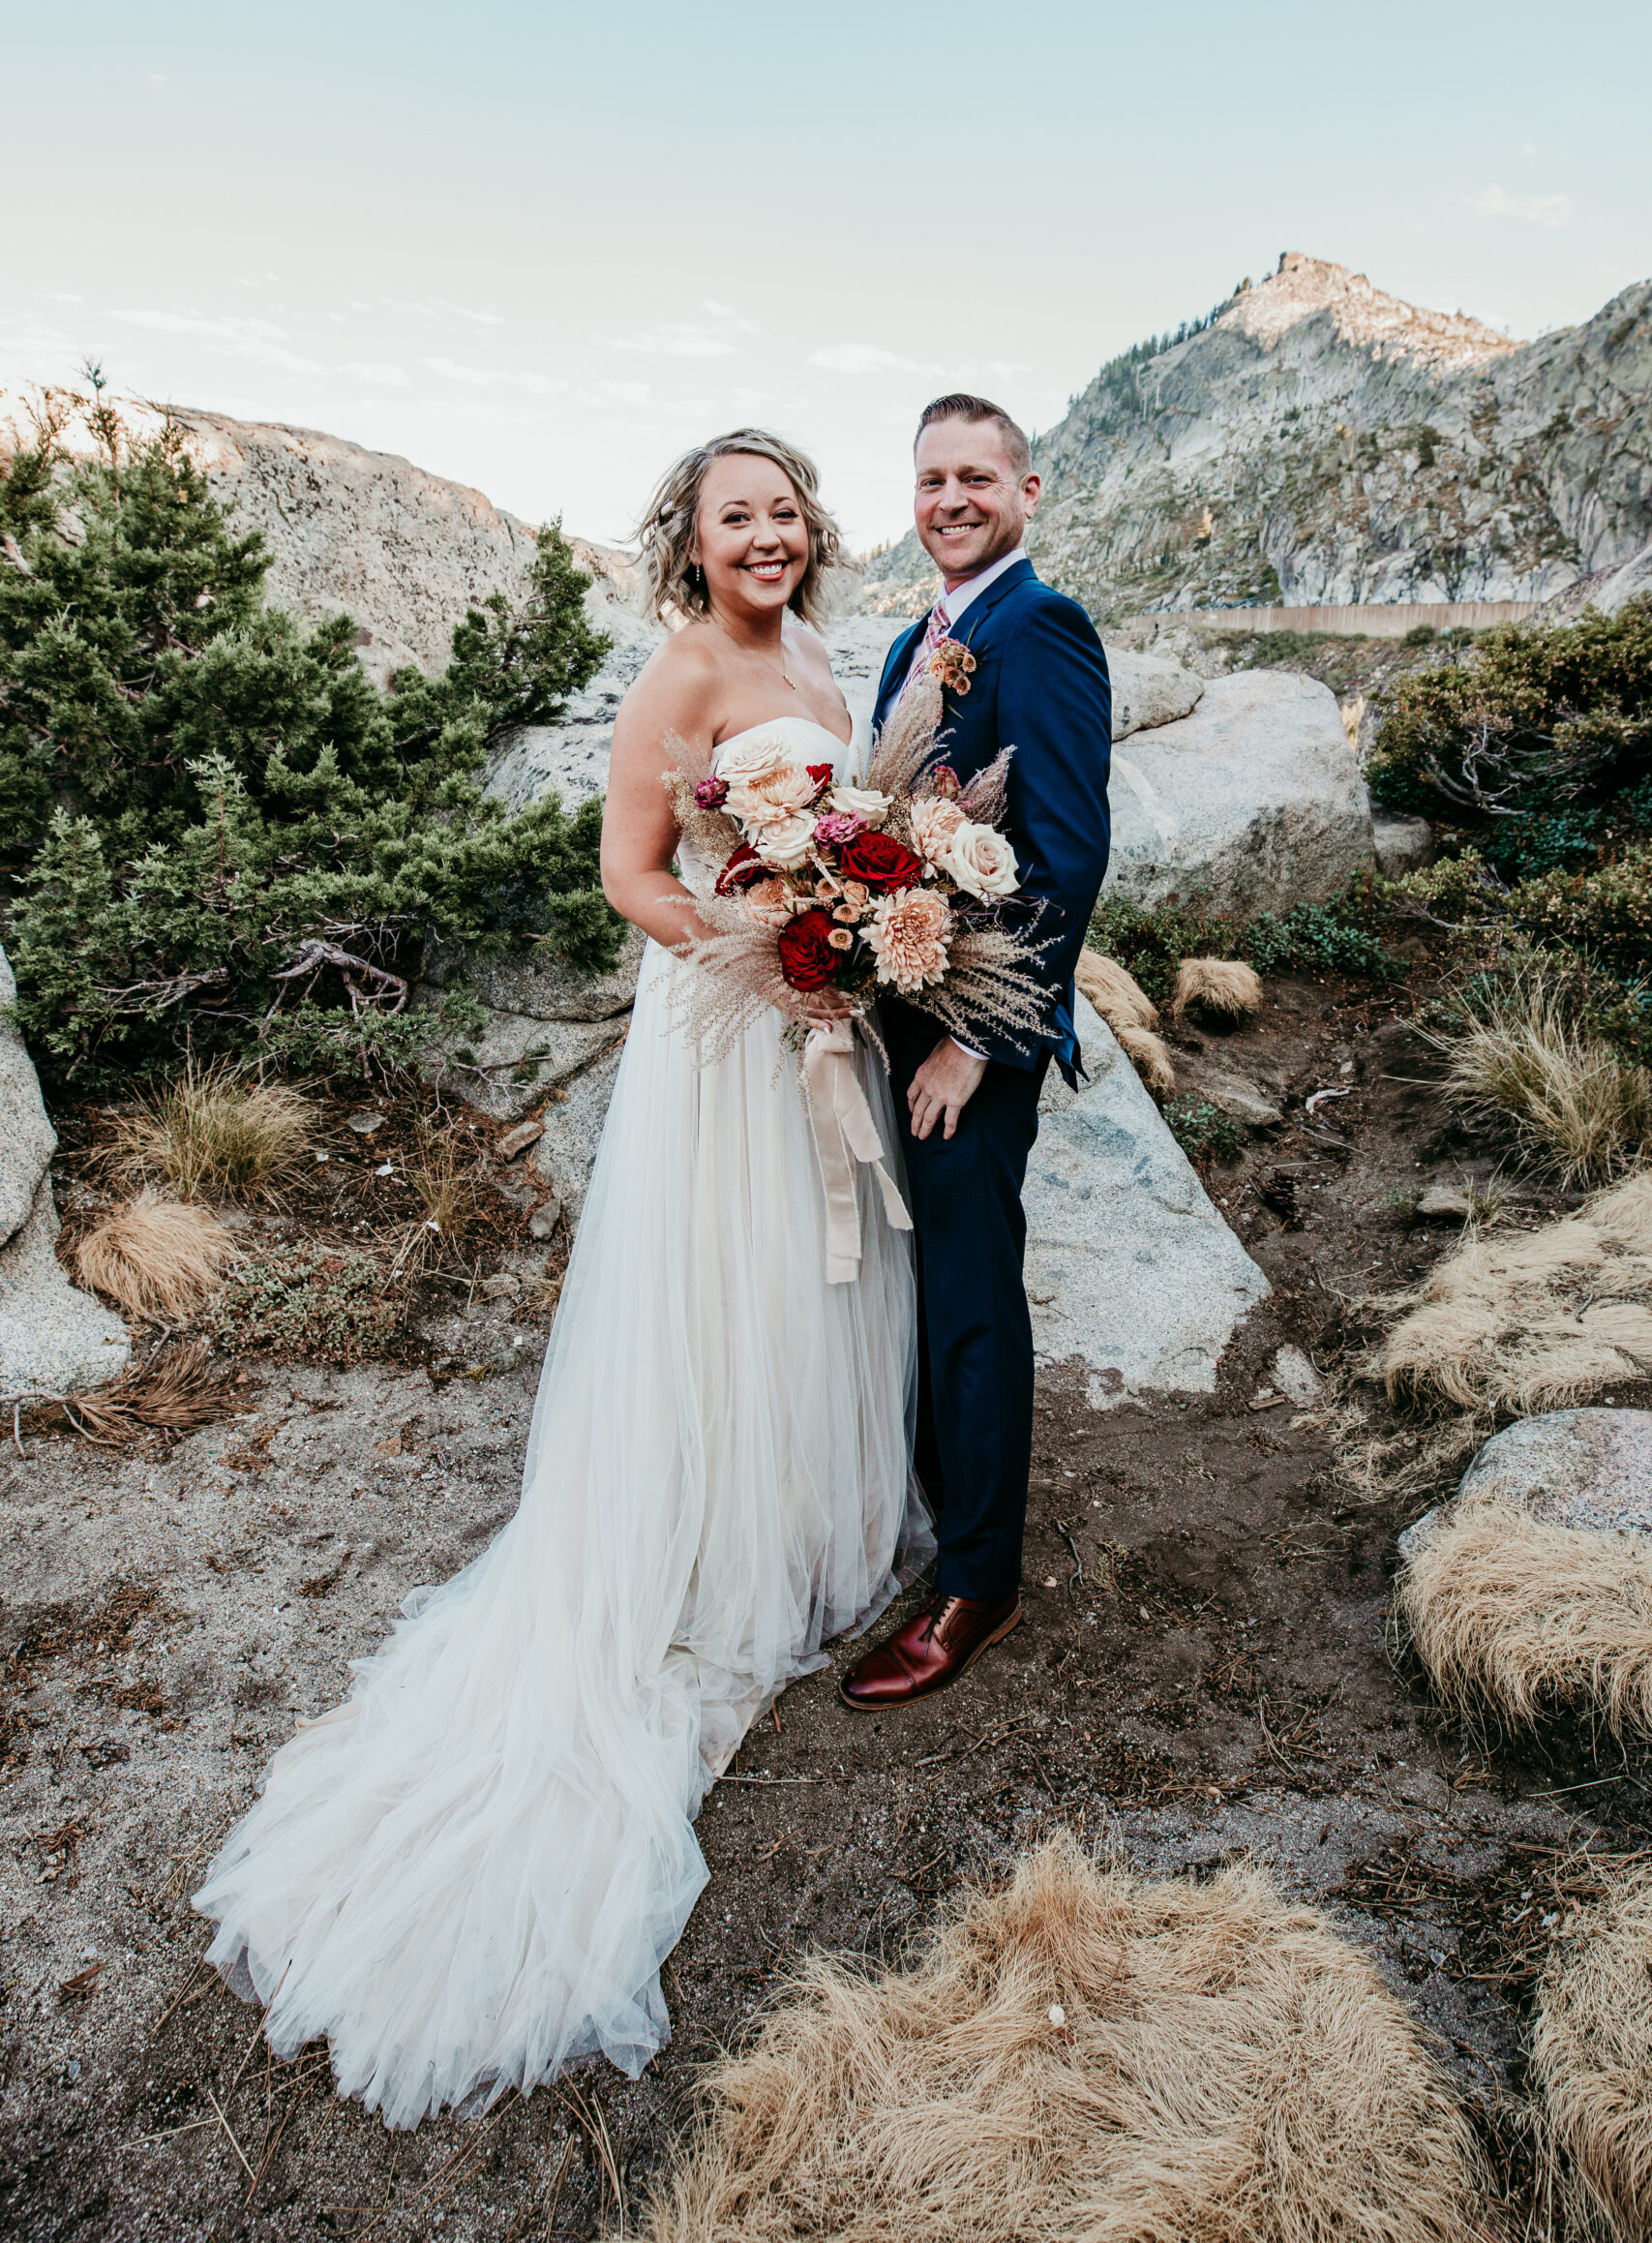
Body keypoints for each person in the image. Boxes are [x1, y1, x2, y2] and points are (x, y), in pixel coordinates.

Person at [194, 429, 926, 2128]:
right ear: (690, 540)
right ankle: (700, 1536)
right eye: (733, 513)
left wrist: (859, 926)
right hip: (725, 1031)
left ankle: (808, 1515)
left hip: (818, 1020)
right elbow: (632, 876)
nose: (766, 531)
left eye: (784, 507)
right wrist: (770, 949)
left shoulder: (823, 652)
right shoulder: (682, 669)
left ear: (812, 530)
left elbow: (859, 818)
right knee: (726, 1287)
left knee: (821, 1291)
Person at [840, 393, 1112, 1713]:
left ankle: (980, 1579)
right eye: (931, 479)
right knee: (915, 1285)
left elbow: (1063, 855)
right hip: (895, 1016)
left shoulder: (1039, 628)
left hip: (970, 1037)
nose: (951, 499)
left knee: (970, 1291)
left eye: (976, 478)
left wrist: (979, 1046)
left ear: (1027, 491)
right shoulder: (917, 636)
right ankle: (944, 1509)